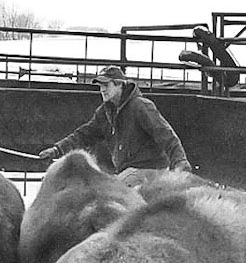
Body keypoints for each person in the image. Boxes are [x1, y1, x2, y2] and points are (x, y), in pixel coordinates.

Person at [38, 65, 191, 185]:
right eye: (100, 86)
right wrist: (57, 149)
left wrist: (179, 161)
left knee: (114, 193)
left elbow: (165, 134)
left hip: (149, 171)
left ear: (119, 85)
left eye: (106, 85)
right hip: (127, 172)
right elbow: (83, 135)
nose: (102, 89)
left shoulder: (141, 106)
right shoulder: (105, 112)